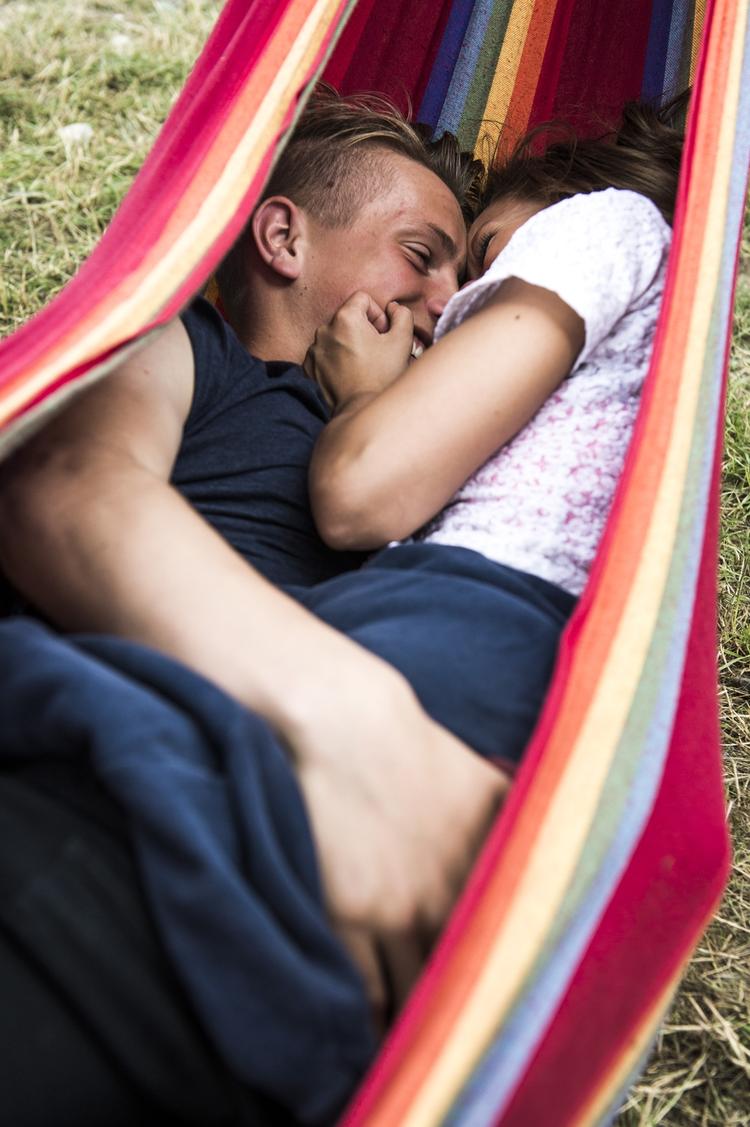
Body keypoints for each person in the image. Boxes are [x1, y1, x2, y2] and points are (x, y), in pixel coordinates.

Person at [0, 91, 503, 1126]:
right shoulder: (190, 345)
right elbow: (62, 484)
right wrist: (348, 719)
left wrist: (370, 419)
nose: (449, 301)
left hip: (285, 979)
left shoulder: (440, 496)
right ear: (282, 235)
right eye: (421, 253)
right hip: (90, 837)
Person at [297, 98, 684, 774]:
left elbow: (357, 490)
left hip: (464, 624)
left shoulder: (607, 221)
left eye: (481, 255)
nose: (449, 305)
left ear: (563, 193)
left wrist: (361, 390)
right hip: (483, 648)